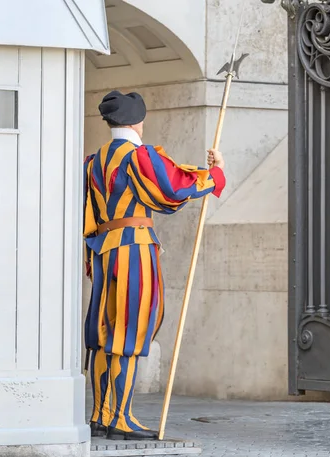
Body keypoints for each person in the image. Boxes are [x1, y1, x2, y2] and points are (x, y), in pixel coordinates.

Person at [83, 90, 226, 440]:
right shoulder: (137, 155)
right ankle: (120, 418)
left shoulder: (94, 160)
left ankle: (101, 415)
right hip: (133, 249)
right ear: (137, 121)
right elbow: (172, 189)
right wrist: (215, 174)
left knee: (104, 335)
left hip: (104, 251)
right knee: (131, 331)